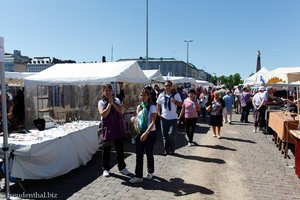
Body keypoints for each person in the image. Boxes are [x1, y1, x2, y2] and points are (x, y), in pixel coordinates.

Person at [98, 84, 130, 177]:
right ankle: (106, 169)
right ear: (103, 92)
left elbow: (121, 111)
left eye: (109, 90)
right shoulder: (101, 102)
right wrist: (109, 105)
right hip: (107, 128)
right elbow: (103, 114)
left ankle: (122, 167)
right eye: (106, 90)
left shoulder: (117, 100)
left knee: (120, 149)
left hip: (117, 127)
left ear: (112, 91)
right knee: (106, 149)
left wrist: (113, 103)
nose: (107, 92)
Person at [129, 89, 157, 183]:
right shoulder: (139, 107)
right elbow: (138, 120)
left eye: (144, 95)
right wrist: (134, 119)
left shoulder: (152, 107)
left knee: (149, 152)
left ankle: (150, 171)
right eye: (141, 95)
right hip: (140, 132)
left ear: (148, 96)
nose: (142, 97)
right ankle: (138, 176)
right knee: (139, 154)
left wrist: (146, 133)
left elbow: (153, 122)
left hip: (150, 132)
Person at [156, 80, 182, 155]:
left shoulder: (176, 95)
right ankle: (166, 149)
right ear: (164, 87)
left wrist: (175, 102)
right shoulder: (161, 95)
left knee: (171, 134)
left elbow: (181, 104)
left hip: (173, 118)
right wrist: (158, 113)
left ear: (171, 86)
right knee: (164, 135)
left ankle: (172, 148)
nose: (167, 87)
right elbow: (158, 104)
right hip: (164, 118)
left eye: (169, 86)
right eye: (166, 86)